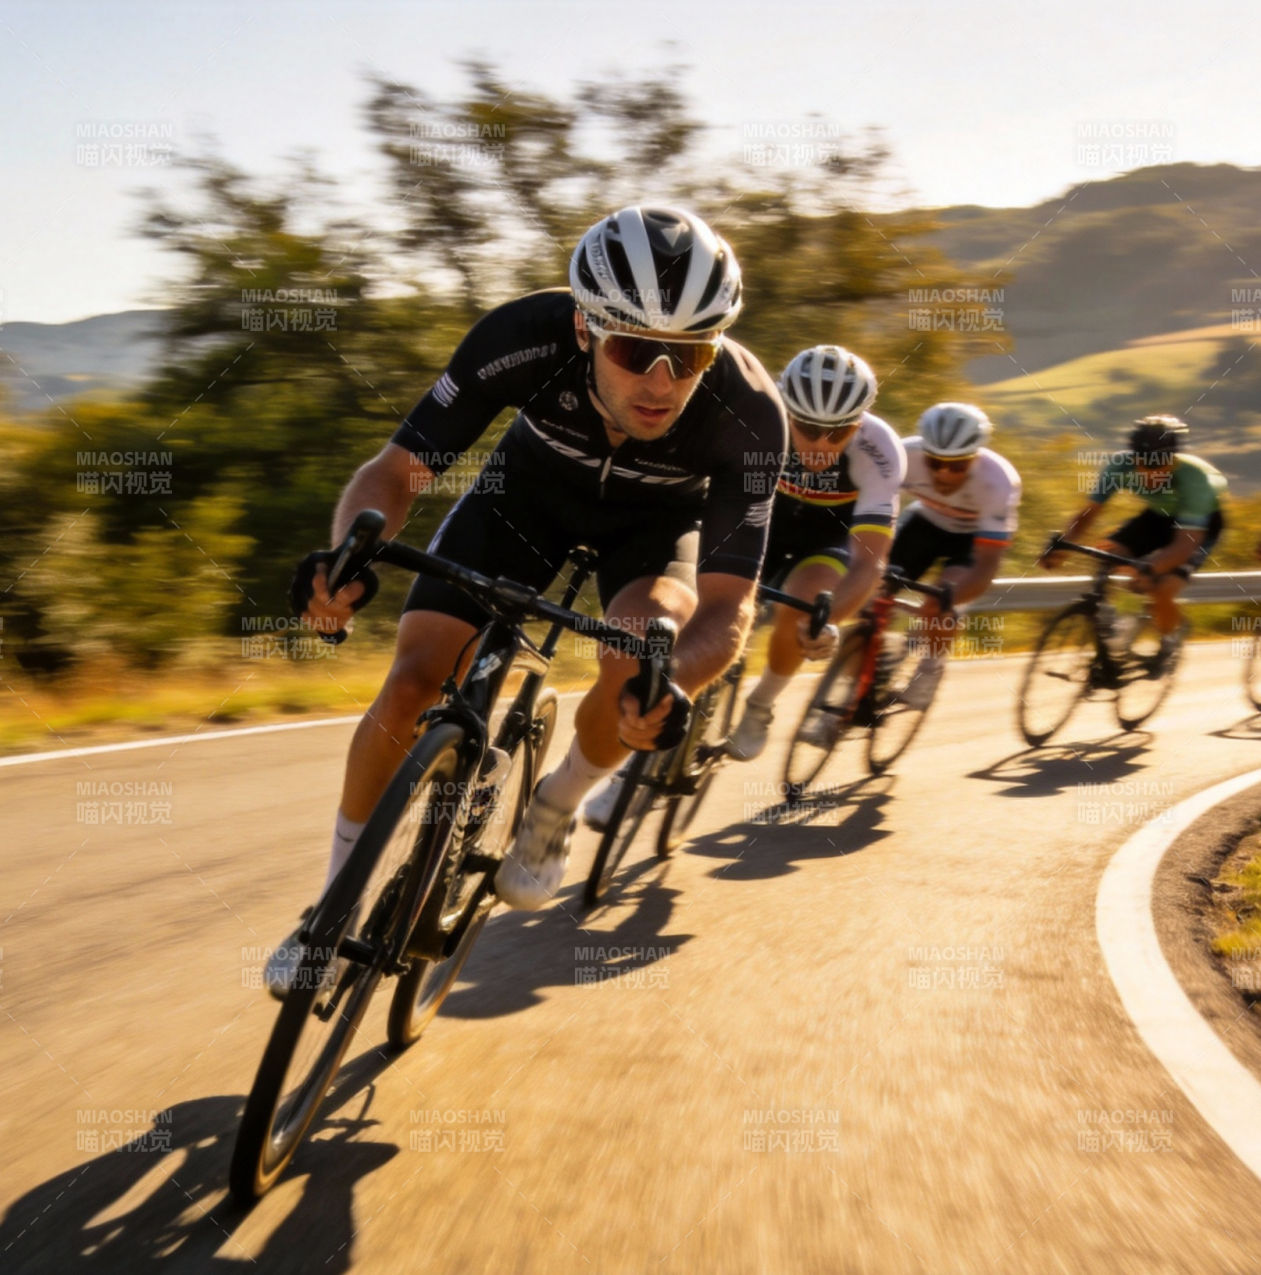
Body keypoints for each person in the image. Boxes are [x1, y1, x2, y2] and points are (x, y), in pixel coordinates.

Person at [268, 204, 786, 990]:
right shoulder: (523, 337)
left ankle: (556, 809)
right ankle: (332, 906)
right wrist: (350, 553)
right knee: (411, 682)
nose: (661, 381)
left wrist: (674, 682)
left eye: (690, 355)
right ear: (584, 329)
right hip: (522, 502)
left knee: (638, 653)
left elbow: (728, 604)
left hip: (654, 534)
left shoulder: (748, 413)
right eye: (635, 347)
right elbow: (397, 471)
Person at [719, 345, 904, 761]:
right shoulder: (754, 418)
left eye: (838, 432)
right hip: (762, 521)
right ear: (786, 412)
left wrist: (827, 618)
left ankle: (759, 705)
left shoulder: (881, 452)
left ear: (858, 425)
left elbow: (870, 561)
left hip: (827, 540)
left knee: (806, 604)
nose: (822, 444)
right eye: (807, 426)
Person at [816, 401, 1018, 727]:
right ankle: (859, 683)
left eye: (957, 466)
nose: (943, 473)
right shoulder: (901, 455)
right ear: (923, 450)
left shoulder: (999, 482)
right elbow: (862, 508)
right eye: (935, 461)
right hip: (922, 524)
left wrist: (946, 599)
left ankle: (931, 667)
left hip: (970, 541)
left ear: (976, 457)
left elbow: (985, 568)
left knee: (942, 598)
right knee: (867, 594)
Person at [1049, 415, 1225, 668]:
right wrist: (1063, 545)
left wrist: (1152, 567)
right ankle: (1111, 622)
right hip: (1157, 517)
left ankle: (1171, 639)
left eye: (1160, 470)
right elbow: (1089, 513)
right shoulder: (1120, 465)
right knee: (1106, 553)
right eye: (1145, 467)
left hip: (1201, 527)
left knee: (1161, 588)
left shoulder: (1195, 479)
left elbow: (1185, 545)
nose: (1152, 476)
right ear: (1134, 460)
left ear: (1173, 460)